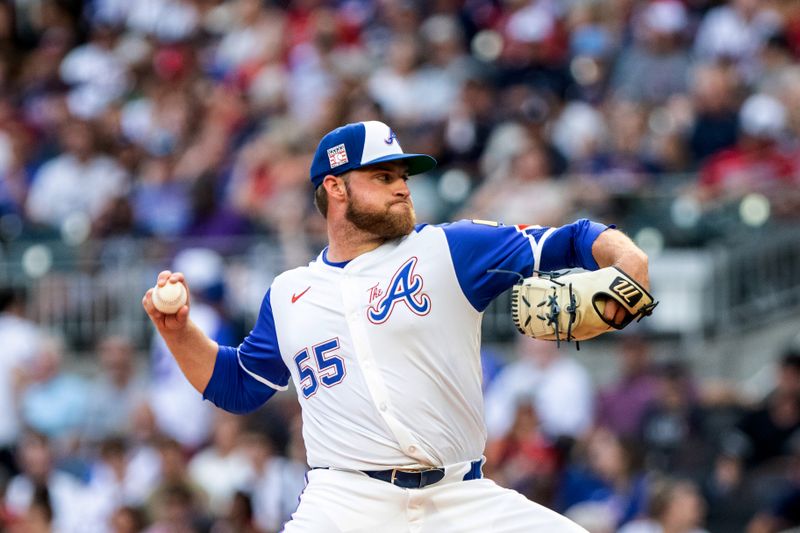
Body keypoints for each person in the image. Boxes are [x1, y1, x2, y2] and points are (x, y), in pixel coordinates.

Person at [143, 120, 651, 532]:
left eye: (404, 176)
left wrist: (626, 256)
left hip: (461, 497)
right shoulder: (290, 293)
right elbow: (237, 387)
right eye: (383, 177)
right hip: (345, 503)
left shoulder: (450, 248)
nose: (402, 188)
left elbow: (573, 238)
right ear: (335, 187)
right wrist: (177, 330)